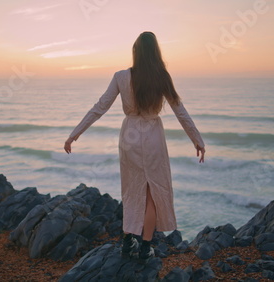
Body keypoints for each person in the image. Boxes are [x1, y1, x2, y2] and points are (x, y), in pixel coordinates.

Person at [64, 31, 205, 262]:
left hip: (129, 138)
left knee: (131, 190)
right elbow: (180, 111)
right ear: (155, 51)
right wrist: (197, 139)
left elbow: (100, 107)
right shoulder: (162, 76)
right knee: (152, 193)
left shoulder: (121, 76)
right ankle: (145, 245)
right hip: (153, 139)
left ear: (135, 52)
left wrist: (74, 134)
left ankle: (128, 239)